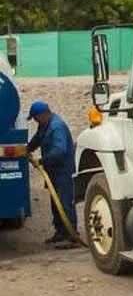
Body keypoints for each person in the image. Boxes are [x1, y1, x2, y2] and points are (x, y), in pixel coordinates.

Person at [26, 101, 78, 248]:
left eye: (35, 117)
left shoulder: (57, 127)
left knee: (64, 202)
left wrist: (41, 161)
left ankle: (71, 236)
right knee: (56, 203)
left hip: (63, 170)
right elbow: (38, 138)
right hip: (53, 171)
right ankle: (60, 232)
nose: (35, 120)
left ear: (42, 115)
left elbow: (60, 151)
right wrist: (27, 149)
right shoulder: (44, 124)